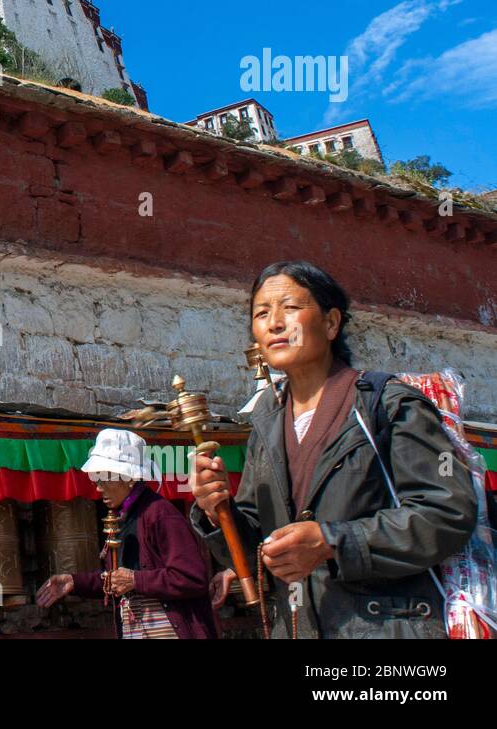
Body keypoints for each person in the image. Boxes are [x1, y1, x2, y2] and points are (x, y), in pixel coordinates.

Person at [191, 260, 477, 638]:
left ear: (330, 323)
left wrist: (332, 541)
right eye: (261, 313)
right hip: (297, 627)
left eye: (290, 308)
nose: (275, 322)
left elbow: (447, 513)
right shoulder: (267, 419)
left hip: (386, 627)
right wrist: (217, 510)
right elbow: (257, 550)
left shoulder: (387, 404)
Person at [36, 428, 217, 638]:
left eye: (104, 478)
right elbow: (117, 580)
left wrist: (135, 580)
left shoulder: (159, 514)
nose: (98, 487)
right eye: (96, 478)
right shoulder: (122, 518)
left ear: (129, 477)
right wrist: (74, 582)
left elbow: (191, 577)